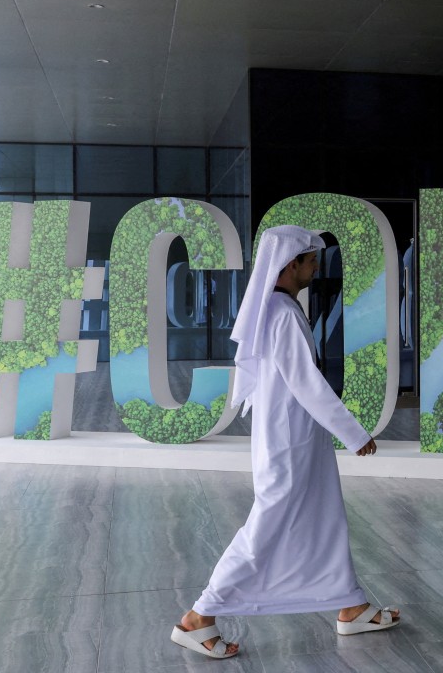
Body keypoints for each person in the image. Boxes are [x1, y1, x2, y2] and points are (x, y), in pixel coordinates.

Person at [171, 225, 399, 659]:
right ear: (290, 264)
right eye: (311, 261)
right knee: (266, 529)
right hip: (290, 444)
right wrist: (354, 433)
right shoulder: (281, 313)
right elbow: (308, 383)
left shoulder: (275, 309)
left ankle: (351, 605)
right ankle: (198, 617)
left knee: (325, 518)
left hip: (296, 439)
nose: (316, 268)